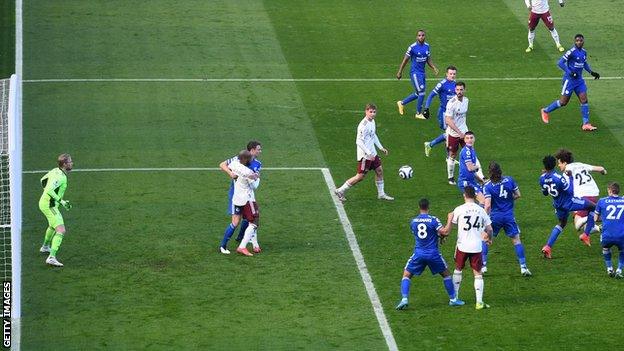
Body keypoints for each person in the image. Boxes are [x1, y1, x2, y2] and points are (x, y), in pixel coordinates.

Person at [396, 198, 465, 310]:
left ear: (419, 207)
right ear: (428, 207)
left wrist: (438, 236)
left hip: (419, 254)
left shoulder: (413, 221)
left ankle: (404, 299)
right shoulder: (433, 220)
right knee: (446, 274)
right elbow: (445, 232)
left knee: (406, 275)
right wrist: (449, 219)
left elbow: (423, 235)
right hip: (433, 254)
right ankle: (453, 299)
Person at [539, 155, 597, 259]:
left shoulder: (542, 178)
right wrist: (570, 177)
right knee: (593, 207)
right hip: (569, 202)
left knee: (562, 223)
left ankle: (548, 247)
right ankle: (586, 234)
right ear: (554, 165)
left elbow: (545, 193)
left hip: (557, 205)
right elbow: (570, 190)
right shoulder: (558, 178)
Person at [445, 186, 493, 310]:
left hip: (462, 245)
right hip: (476, 246)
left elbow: (452, 224)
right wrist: (489, 238)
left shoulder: (459, 209)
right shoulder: (481, 210)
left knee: (458, 269)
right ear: (475, 196)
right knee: (478, 274)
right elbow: (489, 229)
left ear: (464, 195)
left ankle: (454, 297)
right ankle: (479, 302)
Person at [540, 34, 601, 131]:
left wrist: (591, 72)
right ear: (574, 41)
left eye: (581, 40)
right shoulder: (571, 52)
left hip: (579, 81)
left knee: (584, 99)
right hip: (569, 81)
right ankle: (545, 110)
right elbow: (560, 63)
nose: (579, 42)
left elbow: (584, 63)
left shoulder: (584, 52)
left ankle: (586, 124)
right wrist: (570, 73)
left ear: (583, 41)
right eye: (577, 40)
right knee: (563, 102)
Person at [335, 103, 394, 202]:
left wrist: (381, 147)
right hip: (365, 156)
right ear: (366, 112)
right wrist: (368, 153)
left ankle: (381, 194)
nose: (372, 114)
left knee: (379, 170)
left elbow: (373, 135)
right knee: (360, 176)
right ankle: (340, 190)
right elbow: (358, 141)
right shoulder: (363, 125)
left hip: (372, 153)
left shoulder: (373, 121)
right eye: (370, 112)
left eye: (374, 112)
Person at [482, 162, 532, 276]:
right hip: (509, 216)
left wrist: (484, 218)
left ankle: (483, 266)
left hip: (495, 217)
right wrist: (508, 200)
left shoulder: (487, 186)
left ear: (490, 173)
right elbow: (518, 194)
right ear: (500, 171)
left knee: (485, 238)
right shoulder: (509, 180)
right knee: (516, 240)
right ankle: (523, 267)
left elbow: (488, 205)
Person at [218, 141, 262, 254]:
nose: (260, 151)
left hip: (244, 195)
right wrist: (231, 174)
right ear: (252, 150)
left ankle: (242, 239)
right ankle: (224, 246)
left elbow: (227, 166)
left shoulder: (238, 163)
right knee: (238, 221)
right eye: (259, 149)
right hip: (237, 195)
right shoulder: (241, 164)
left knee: (248, 219)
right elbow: (222, 165)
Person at [554, 148, 606, 234]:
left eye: (559, 163)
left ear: (565, 163)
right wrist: (604, 172)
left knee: (578, 224)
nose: (558, 165)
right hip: (593, 194)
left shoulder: (567, 172)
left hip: (583, 196)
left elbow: (566, 188)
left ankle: (609, 216)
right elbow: (600, 168)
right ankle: (600, 224)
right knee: (586, 223)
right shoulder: (580, 164)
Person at [444, 82, 484, 185]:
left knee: (471, 152)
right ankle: (450, 177)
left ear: (464, 90)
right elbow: (448, 120)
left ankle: (481, 175)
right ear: (455, 90)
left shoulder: (466, 100)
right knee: (453, 154)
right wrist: (458, 132)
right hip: (453, 133)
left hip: (464, 132)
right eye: (457, 90)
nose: (459, 92)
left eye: (461, 90)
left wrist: (463, 132)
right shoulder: (451, 103)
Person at [38, 153, 74, 267]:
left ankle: (45, 247)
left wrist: (51, 198)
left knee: (52, 226)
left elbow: (42, 180)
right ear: (64, 164)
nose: (72, 163)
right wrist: (61, 201)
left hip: (46, 203)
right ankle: (51, 257)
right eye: (70, 162)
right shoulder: (61, 177)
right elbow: (49, 189)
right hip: (49, 206)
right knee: (61, 230)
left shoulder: (55, 170)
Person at [396, 29, 439, 119]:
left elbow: (428, 59)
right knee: (422, 92)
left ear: (425, 36)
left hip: (422, 73)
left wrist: (434, 67)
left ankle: (401, 103)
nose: (421, 37)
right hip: (415, 73)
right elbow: (405, 60)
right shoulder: (412, 47)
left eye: (423, 35)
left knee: (418, 93)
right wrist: (400, 71)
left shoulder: (427, 46)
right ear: (416, 37)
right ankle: (418, 113)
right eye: (419, 35)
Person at [423, 66, 457, 158]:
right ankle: (448, 157)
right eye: (450, 74)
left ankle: (430, 145)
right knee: (449, 134)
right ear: (446, 74)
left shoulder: (456, 85)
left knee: (450, 134)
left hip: (452, 114)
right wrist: (426, 108)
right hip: (444, 113)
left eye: (454, 74)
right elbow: (431, 95)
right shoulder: (442, 84)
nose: (452, 75)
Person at [594, 182, 624, 278]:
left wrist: (606, 218)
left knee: (606, 248)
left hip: (607, 235)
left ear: (610, 191)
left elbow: (595, 219)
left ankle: (609, 268)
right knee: (622, 251)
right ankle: (619, 270)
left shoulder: (602, 201)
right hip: (621, 234)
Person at [457, 131, 486, 204]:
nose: (469, 140)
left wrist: (480, 180)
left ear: (474, 139)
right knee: (483, 201)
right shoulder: (467, 152)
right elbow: (470, 168)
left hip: (472, 181)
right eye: (467, 138)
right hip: (466, 182)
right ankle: (480, 215)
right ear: (464, 140)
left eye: (471, 138)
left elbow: (471, 171)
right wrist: (477, 167)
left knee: (485, 196)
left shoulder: (471, 150)